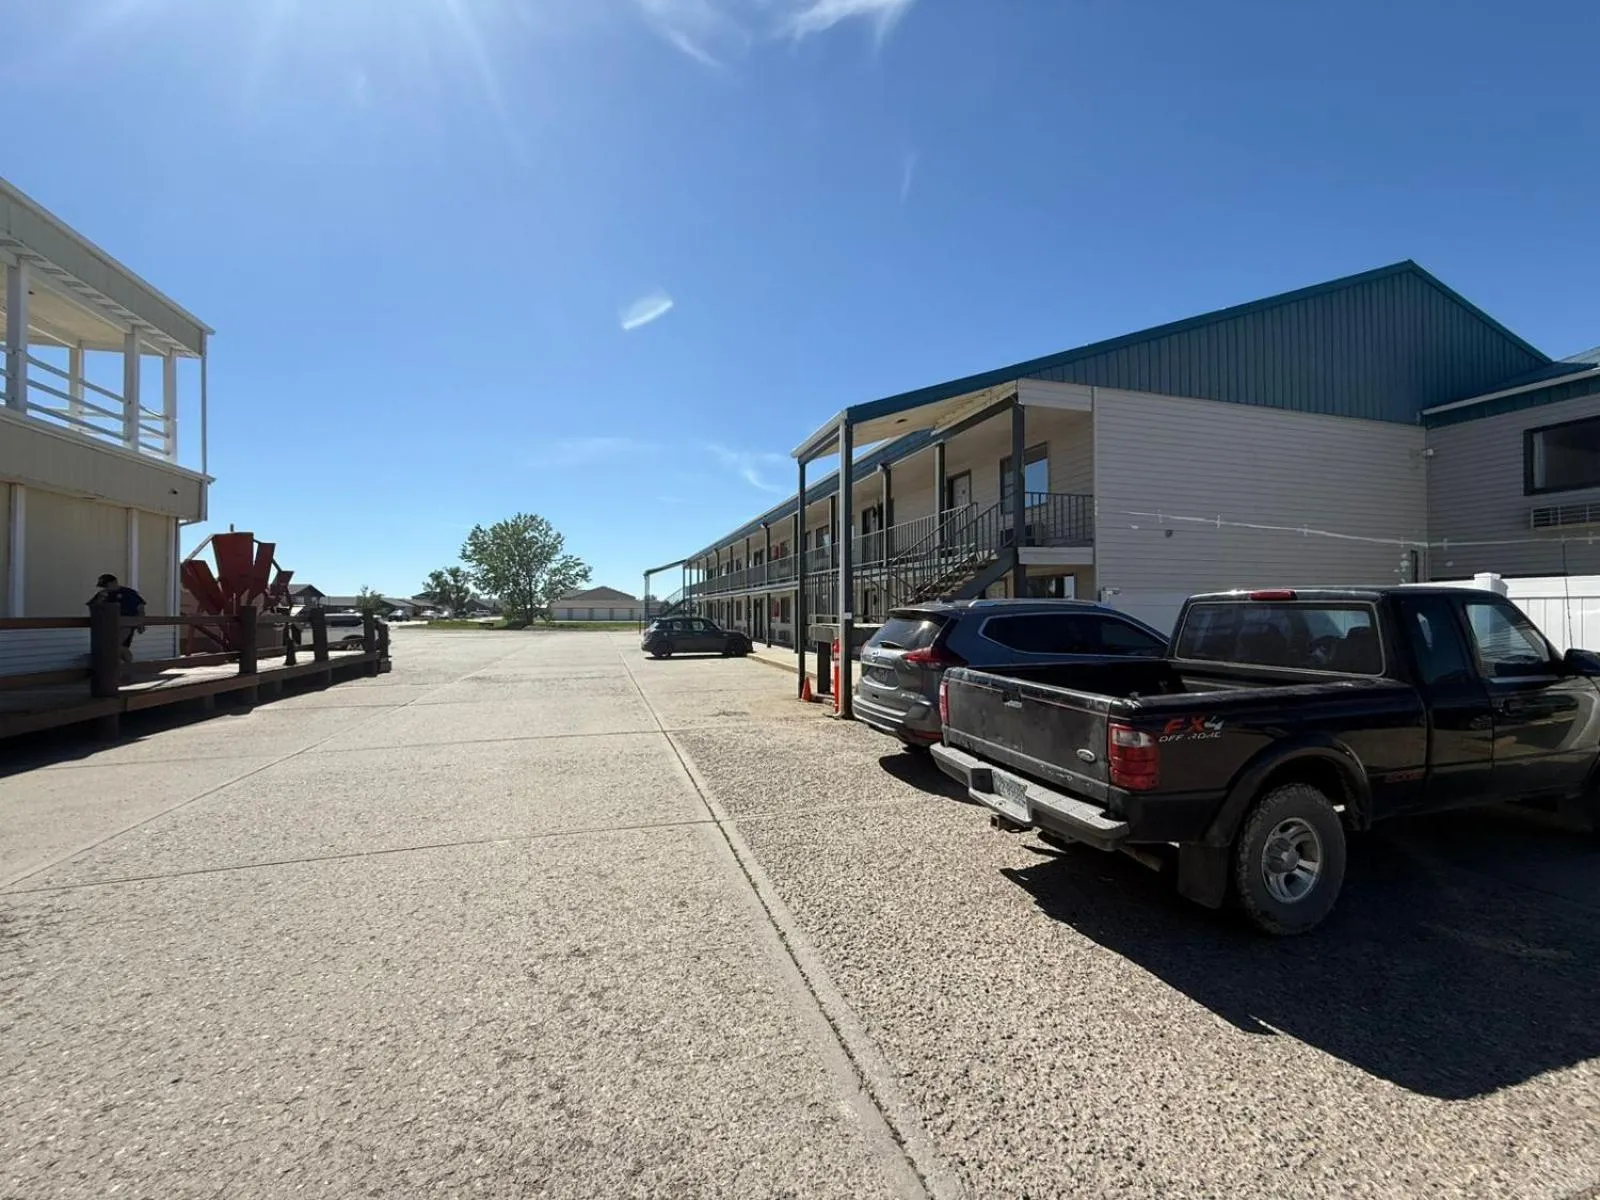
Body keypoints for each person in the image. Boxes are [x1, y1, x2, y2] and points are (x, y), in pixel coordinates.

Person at [88, 574, 146, 664]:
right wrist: (100, 599)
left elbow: (140, 607)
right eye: (103, 586)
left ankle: (126, 667)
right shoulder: (102, 594)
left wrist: (141, 622)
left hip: (127, 623)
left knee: (115, 644)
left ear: (114, 582)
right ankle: (125, 667)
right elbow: (93, 607)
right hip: (107, 625)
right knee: (116, 647)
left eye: (106, 585)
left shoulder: (128, 593)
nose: (105, 588)